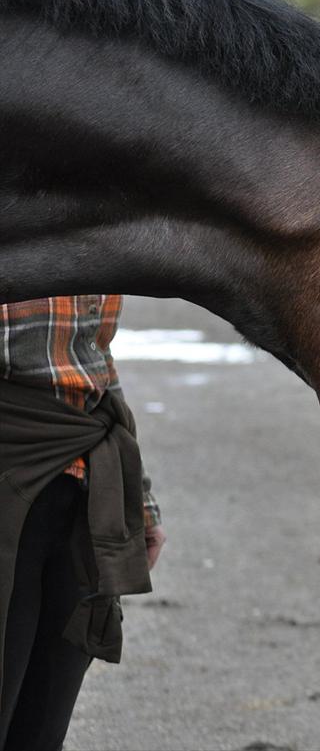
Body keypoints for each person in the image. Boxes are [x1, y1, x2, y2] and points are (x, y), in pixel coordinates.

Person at [0, 295, 164, 750]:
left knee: (42, 726)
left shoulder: (86, 227)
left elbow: (96, 355)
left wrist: (139, 501)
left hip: (83, 484)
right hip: (10, 469)